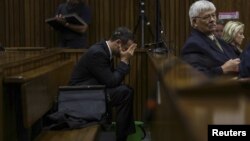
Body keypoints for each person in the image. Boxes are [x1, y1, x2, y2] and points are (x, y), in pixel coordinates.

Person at [69, 27, 137, 141]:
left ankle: (122, 136)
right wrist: (124, 61)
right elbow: (111, 82)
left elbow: (111, 80)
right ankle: (121, 138)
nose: (126, 52)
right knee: (125, 93)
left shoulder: (104, 50)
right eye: (125, 48)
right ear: (118, 43)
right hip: (80, 96)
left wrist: (124, 62)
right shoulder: (98, 53)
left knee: (126, 90)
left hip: (91, 91)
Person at [181, 0, 240, 77]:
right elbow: (195, 76)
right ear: (194, 22)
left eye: (213, 15)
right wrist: (223, 69)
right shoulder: (192, 45)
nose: (212, 20)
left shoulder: (219, 40)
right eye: (206, 17)